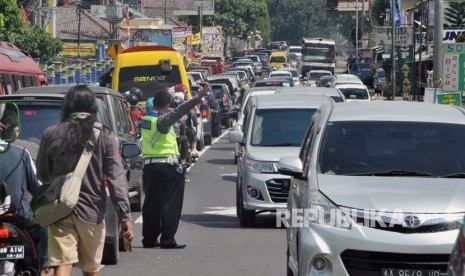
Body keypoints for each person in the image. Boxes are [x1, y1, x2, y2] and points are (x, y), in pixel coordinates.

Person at [36, 85, 134, 276]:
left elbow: (42, 173)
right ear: (93, 107)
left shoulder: (51, 133)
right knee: (91, 269)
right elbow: (116, 179)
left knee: (63, 263)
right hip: (91, 211)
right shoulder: (105, 136)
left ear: (67, 106)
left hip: (60, 209)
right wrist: (125, 217)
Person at [140, 83, 209, 249]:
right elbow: (180, 111)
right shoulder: (162, 122)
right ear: (166, 105)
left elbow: (174, 111)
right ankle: (167, 240)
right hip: (167, 167)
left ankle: (149, 239)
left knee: (151, 204)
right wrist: (197, 98)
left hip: (149, 166)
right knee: (170, 204)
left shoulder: (146, 119)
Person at [0, 105, 51, 275]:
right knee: (44, 227)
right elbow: (37, 189)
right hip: (19, 217)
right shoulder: (21, 153)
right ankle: (44, 267)